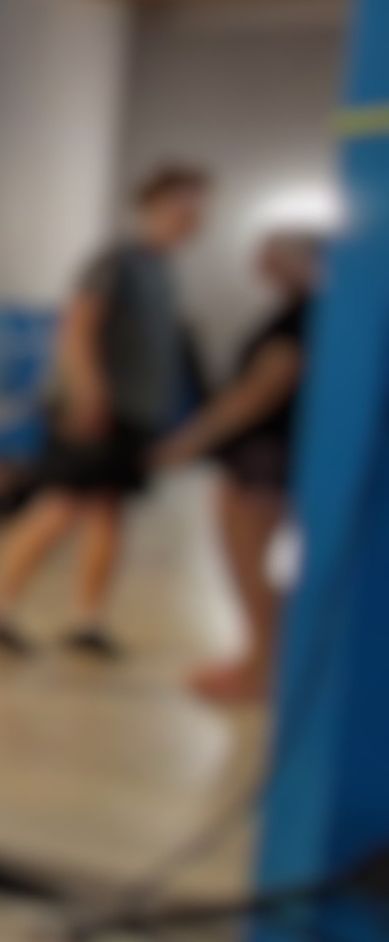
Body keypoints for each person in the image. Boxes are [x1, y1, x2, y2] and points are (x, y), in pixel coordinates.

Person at [0, 164, 211, 658]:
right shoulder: (116, 261)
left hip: (134, 413)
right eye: (182, 205)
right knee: (60, 505)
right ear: (151, 206)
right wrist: (88, 395)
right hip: (98, 411)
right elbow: (78, 326)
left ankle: (88, 620)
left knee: (108, 510)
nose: (191, 216)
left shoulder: (162, 269)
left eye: (198, 207)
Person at [151, 230, 321, 703]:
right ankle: (260, 660)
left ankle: (263, 668)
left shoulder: (302, 317)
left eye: (272, 255)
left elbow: (260, 391)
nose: (261, 264)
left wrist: (192, 440)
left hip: (264, 457)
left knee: (250, 564)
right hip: (265, 453)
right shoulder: (298, 312)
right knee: (249, 565)